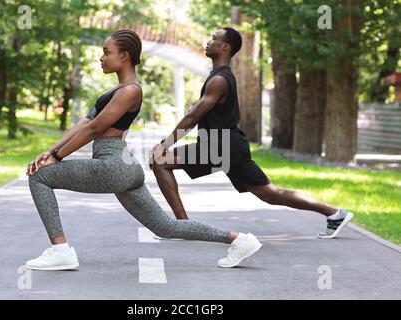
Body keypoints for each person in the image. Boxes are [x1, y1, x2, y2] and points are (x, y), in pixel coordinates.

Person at [24, 30, 262, 271]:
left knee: (39, 177)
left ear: (124, 56)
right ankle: (240, 240)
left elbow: (95, 129)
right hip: (124, 166)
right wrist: (49, 152)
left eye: (107, 53)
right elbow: (84, 123)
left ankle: (60, 251)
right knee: (166, 228)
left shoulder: (130, 91)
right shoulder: (118, 91)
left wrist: (56, 158)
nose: (102, 58)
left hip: (114, 165)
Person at [150, 27, 353, 240]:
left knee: (160, 160)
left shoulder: (219, 80)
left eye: (214, 39)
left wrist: (165, 144)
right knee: (270, 194)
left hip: (221, 147)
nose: (208, 42)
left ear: (225, 47)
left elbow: (193, 117)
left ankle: (184, 227)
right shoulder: (218, 76)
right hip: (229, 146)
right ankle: (334, 213)